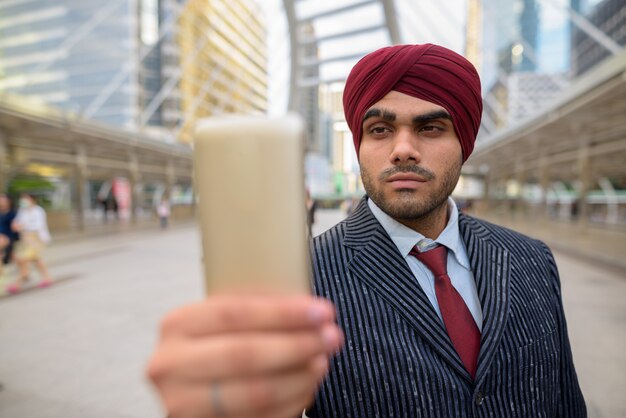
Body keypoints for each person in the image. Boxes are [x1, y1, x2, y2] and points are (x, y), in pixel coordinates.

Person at [146, 44, 586, 417]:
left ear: (464, 144)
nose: (403, 150)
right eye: (380, 129)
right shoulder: (301, 277)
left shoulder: (531, 259)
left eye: (430, 127)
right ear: (358, 146)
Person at [6, 193, 52, 294]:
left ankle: (17, 283)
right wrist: (16, 225)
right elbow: (17, 222)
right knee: (36, 260)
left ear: (32, 200)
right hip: (25, 240)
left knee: (24, 260)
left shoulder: (38, 211)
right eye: (22, 199)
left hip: (36, 239)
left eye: (25, 199)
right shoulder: (22, 211)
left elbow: (38, 226)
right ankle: (47, 278)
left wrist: (23, 226)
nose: (23, 201)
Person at [0, 193, 18, 276]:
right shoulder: (1, 213)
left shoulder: (13, 214)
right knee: (12, 256)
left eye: (3, 199)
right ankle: (23, 270)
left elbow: (15, 228)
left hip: (9, 237)